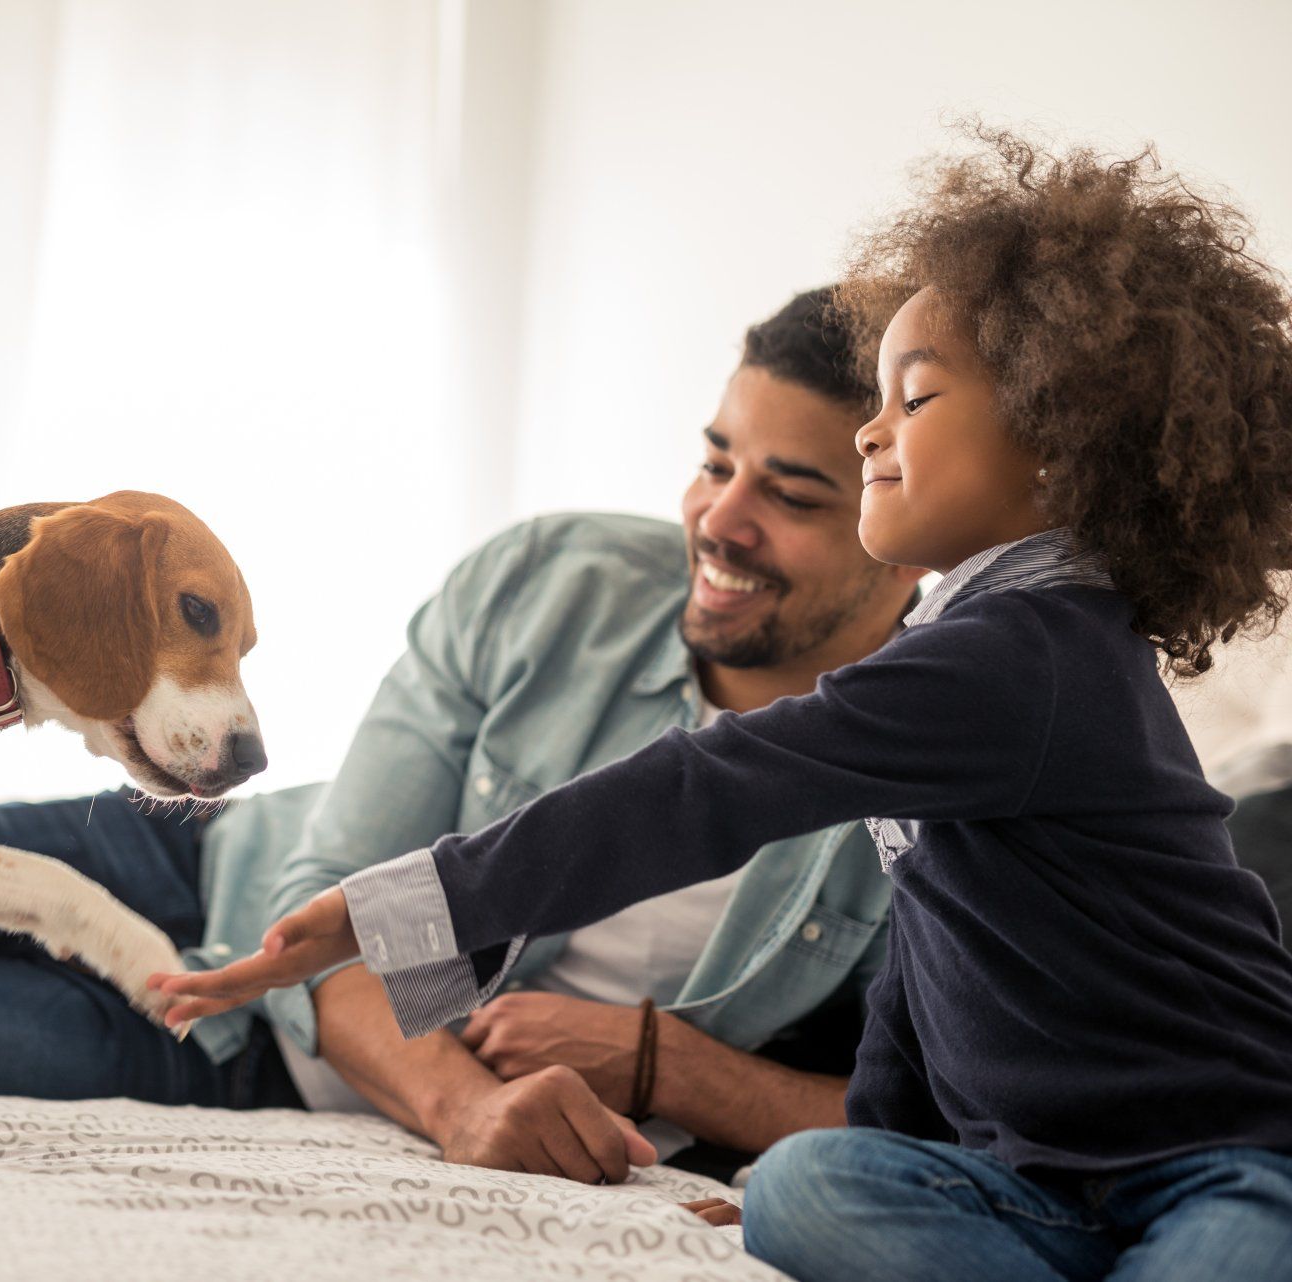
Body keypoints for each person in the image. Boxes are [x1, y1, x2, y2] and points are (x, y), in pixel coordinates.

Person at [155, 129, 1292, 1280]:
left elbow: (706, 787)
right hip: (1039, 1183)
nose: (870, 430)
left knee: (1240, 1246)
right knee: (800, 1185)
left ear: (1059, 439)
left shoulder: (1031, 655)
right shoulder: (964, 646)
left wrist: (412, 907)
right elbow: (933, 957)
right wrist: (883, 1140)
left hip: (1221, 1149)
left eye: (916, 398)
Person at [0, 287, 924, 1183]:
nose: (720, 518)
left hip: (225, 1056)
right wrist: (467, 1107)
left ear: (896, 506)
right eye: (716, 460)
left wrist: (673, 1067)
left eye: (792, 493)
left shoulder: (950, 768)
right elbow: (337, 895)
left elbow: (956, 1113)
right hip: (198, 862)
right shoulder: (550, 580)